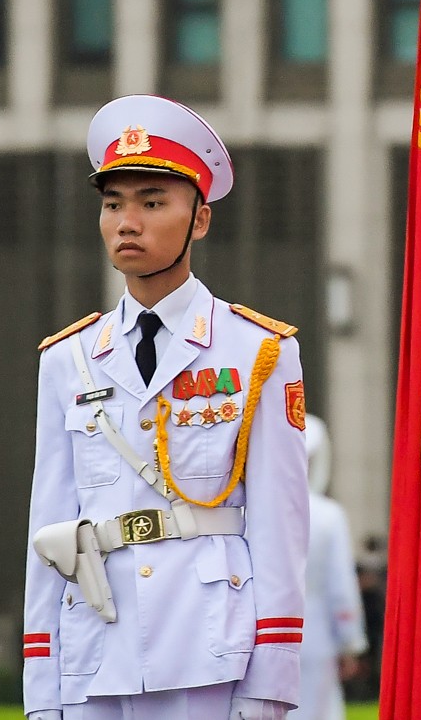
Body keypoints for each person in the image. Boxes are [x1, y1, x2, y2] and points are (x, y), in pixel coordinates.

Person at [23, 95, 310, 720]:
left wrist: (271, 681)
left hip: (210, 648)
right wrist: (42, 686)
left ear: (199, 220)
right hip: (95, 647)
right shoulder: (67, 360)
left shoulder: (259, 349)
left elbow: (280, 524)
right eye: (113, 204)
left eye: (153, 202)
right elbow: (48, 527)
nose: (128, 222)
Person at [298, 414, 369, 720]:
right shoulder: (328, 516)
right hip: (317, 634)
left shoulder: (251, 510)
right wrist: (350, 642)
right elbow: (340, 587)